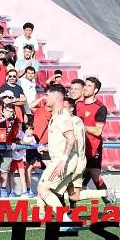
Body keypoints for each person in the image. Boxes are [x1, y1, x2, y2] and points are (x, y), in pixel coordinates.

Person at [35, 85, 82, 229]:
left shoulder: (62, 115)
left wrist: (62, 160)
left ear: (55, 97)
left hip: (63, 160)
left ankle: (65, 221)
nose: (45, 98)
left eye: (47, 95)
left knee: (43, 189)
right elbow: (63, 140)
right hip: (61, 159)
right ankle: (60, 219)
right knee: (47, 191)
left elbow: (71, 138)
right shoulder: (57, 115)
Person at [76, 76, 115, 204]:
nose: (85, 88)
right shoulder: (78, 104)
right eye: (85, 85)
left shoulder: (100, 107)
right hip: (79, 148)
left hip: (93, 148)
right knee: (76, 180)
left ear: (96, 90)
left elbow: (98, 131)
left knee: (95, 176)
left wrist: (81, 126)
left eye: (89, 86)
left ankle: (110, 205)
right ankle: (69, 211)